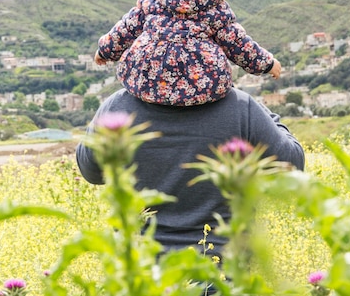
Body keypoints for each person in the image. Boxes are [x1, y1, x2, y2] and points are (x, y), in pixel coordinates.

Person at [75, 87, 305, 258]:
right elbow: (292, 164)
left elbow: (90, 171)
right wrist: (269, 118)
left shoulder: (117, 105)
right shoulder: (241, 105)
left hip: (141, 271)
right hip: (222, 271)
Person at [94, 0, 282, 106]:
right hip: (202, 88)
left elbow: (126, 29)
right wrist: (267, 64)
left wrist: (104, 51)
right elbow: (238, 44)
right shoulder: (215, 6)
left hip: (145, 81)